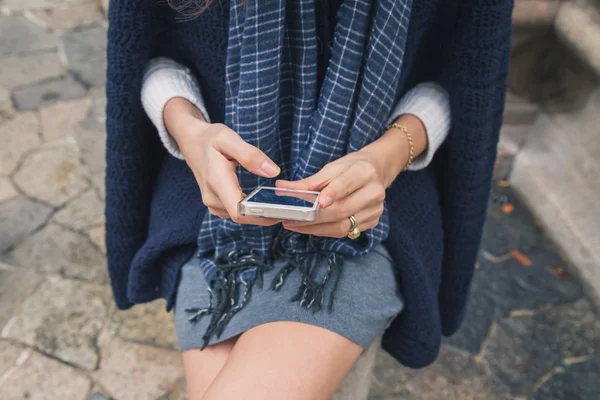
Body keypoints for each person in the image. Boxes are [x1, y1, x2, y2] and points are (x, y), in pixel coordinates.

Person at [105, 0, 513, 399]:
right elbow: (148, 54)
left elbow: (466, 79)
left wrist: (388, 158)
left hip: (369, 219)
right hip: (214, 218)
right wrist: (191, 132)